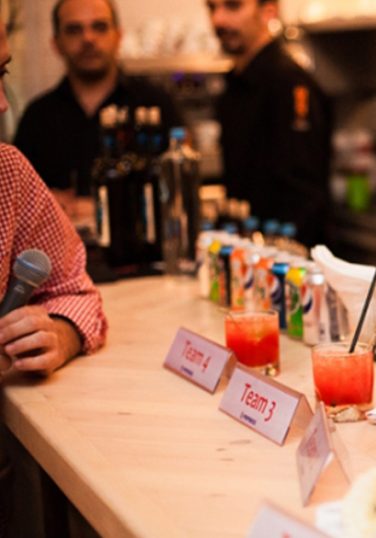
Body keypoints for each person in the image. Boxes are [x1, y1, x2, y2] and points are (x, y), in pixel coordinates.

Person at [0, 17, 110, 534]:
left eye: (1, 74)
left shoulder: (8, 174)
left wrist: (60, 333)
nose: (2, 104)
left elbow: (74, 288)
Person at [13, 0, 182, 224]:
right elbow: (14, 204)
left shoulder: (155, 105)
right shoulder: (37, 117)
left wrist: (107, 206)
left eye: (99, 27)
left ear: (118, 36)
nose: (88, 39)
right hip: (60, 254)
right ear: (56, 43)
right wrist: (45, 202)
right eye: (74, 30)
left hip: (141, 254)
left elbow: (178, 193)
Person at [207, 0, 331, 246]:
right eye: (212, 7)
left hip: (287, 257)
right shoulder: (233, 86)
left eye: (232, 6)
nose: (218, 20)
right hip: (248, 248)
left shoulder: (290, 82)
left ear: (268, 12)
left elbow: (304, 192)